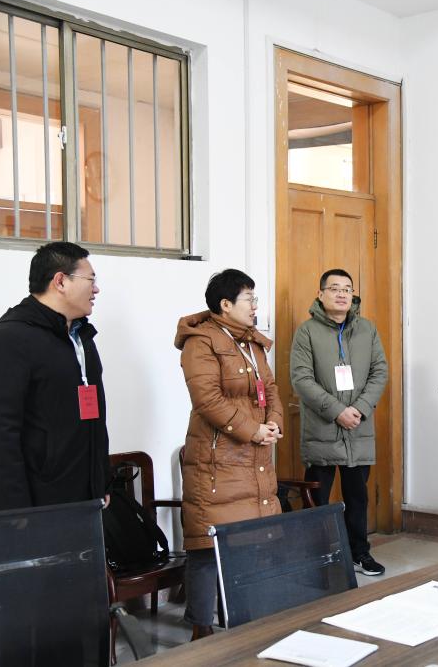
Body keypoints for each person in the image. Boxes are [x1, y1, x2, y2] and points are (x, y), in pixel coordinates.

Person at [175, 269, 284, 639]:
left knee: (252, 542)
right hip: (216, 461)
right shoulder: (201, 341)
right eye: (249, 299)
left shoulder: (252, 343)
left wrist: (274, 423)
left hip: (254, 458)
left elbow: (271, 388)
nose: (255, 306)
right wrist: (254, 430)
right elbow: (207, 400)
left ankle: (245, 617)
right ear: (225, 304)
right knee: (208, 547)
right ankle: (201, 628)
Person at [0, 242, 108, 511]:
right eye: (90, 280)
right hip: (39, 502)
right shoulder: (10, 339)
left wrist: (101, 481)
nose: (96, 289)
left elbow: (95, 418)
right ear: (60, 281)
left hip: (85, 495)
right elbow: (0, 431)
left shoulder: (81, 337)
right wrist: (15, 510)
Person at [291, 269, 388, 575]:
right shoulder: (307, 332)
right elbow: (301, 379)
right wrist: (336, 411)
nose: (342, 294)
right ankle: (317, 558)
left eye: (347, 288)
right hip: (322, 429)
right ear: (321, 294)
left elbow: (379, 372)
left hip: (358, 427)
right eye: (334, 288)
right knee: (317, 498)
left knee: (357, 497)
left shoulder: (367, 329)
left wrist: (359, 408)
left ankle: (360, 553)